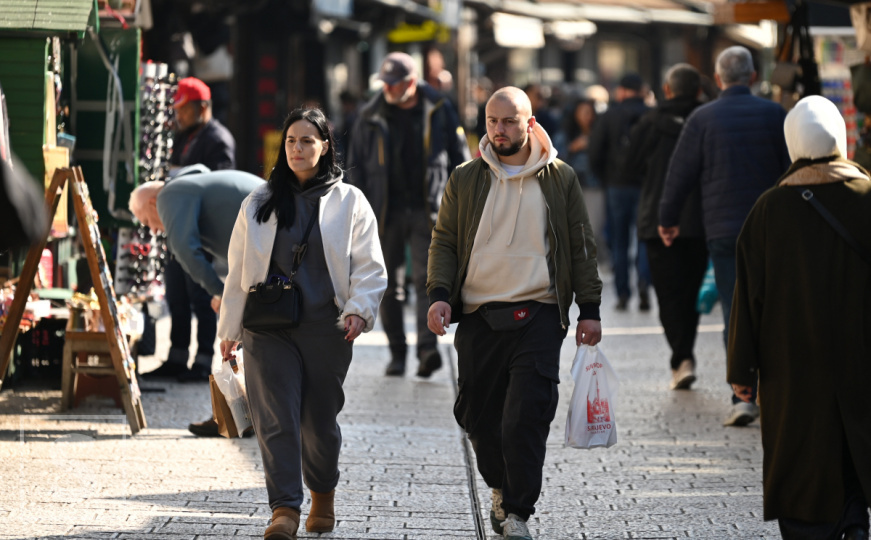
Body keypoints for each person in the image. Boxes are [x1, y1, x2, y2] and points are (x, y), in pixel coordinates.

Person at [427, 87, 602, 540]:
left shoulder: (559, 178)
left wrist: (590, 308)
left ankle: (518, 511)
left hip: (541, 312)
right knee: (479, 417)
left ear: (530, 122)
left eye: (508, 121)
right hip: (482, 314)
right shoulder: (466, 178)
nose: (499, 130)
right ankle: (501, 488)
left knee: (526, 412)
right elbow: (444, 239)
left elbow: (581, 243)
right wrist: (440, 294)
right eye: (491, 120)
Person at [218, 108, 386, 538]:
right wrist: (229, 331)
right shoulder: (258, 201)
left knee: (318, 419)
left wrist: (358, 310)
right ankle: (285, 510)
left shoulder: (350, 202)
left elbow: (370, 267)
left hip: (326, 328)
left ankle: (323, 494)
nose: (297, 148)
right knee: (275, 418)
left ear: (325, 146)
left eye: (307, 141)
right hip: (266, 327)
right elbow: (238, 270)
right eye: (291, 140)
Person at [728, 95, 871, 540]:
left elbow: (748, 298)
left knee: (801, 456)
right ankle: (853, 523)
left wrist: (741, 371)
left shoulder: (769, 210)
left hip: (791, 366)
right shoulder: (867, 196)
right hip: (861, 355)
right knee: (854, 449)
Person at [658, 46, 791, 426]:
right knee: (772, 310)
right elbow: (789, 170)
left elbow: (679, 175)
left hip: (723, 232)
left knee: (735, 312)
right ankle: (775, 391)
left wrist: (667, 219)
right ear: (751, 76)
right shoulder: (774, 114)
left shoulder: (703, 118)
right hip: (769, 231)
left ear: (717, 80)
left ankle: (742, 395)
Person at [346, 51, 470, 377]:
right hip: (384, 212)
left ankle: (427, 350)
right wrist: (359, 210)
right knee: (387, 285)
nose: (387, 88)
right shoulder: (369, 114)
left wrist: (463, 202)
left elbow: (460, 159)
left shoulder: (440, 109)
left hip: (430, 209)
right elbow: (355, 165)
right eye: (384, 83)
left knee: (427, 281)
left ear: (411, 82)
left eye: (393, 83)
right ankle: (397, 354)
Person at [128, 168, 263, 436]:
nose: (154, 229)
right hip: (263, 244)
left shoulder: (169, 194)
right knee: (246, 336)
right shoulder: (187, 182)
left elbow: (185, 250)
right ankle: (241, 415)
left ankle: (240, 416)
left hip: (264, 245)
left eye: (147, 220)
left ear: (153, 202)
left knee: (248, 335)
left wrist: (219, 293)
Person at [626, 63, 707, 390]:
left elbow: (628, 168)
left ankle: (681, 357)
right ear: (699, 90)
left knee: (668, 294)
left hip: (657, 220)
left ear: (667, 89)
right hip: (699, 220)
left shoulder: (649, 123)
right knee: (691, 292)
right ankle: (684, 354)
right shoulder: (706, 120)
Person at [158, 76, 238, 384]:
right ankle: (177, 355)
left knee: (203, 295)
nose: (178, 115)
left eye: (183, 109)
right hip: (182, 224)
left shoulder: (217, 138)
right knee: (176, 293)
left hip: (202, 229)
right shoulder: (186, 136)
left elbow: (219, 182)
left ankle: (204, 358)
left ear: (201, 107)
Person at [588, 73, 652, 311]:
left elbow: (595, 152)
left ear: (622, 91)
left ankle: (623, 292)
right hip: (646, 186)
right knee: (644, 237)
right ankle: (644, 281)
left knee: (619, 240)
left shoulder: (609, 116)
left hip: (616, 185)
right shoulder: (651, 115)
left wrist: (606, 178)